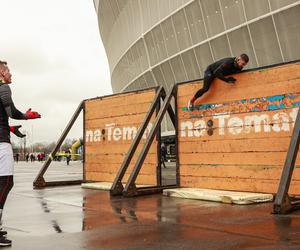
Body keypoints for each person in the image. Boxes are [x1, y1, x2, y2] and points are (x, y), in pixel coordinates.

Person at [0, 60, 41, 246]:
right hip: (1, 144)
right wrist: (25, 116)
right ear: (0, 73)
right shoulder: (3, 88)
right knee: (6, 182)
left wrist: (10, 128)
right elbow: (11, 111)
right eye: (8, 70)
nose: (11, 73)